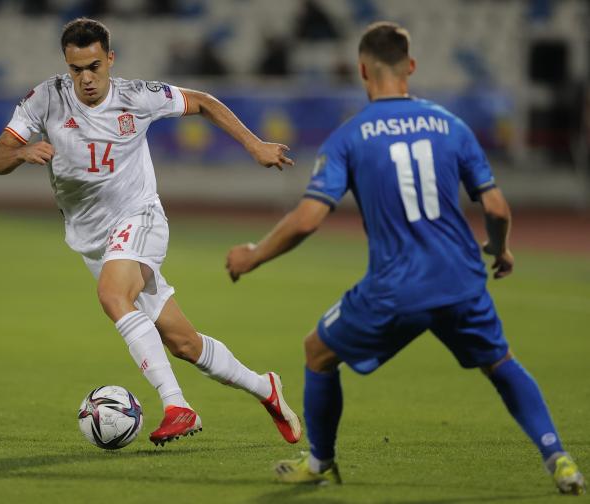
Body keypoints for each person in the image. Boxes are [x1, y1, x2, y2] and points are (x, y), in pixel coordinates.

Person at [226, 21, 585, 494]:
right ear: (410, 67)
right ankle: (559, 458)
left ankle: (320, 462)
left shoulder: (350, 137)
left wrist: (254, 254)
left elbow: (309, 219)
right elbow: (496, 207)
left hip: (396, 286)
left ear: (361, 71)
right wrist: (499, 248)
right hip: (461, 278)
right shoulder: (451, 125)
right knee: (501, 363)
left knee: (317, 351)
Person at [0, 17, 301, 447]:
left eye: (94, 66)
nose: (87, 78)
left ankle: (177, 406)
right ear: (65, 64)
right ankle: (266, 388)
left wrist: (255, 145)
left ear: (110, 59)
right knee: (183, 343)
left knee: (113, 296)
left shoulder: (138, 96)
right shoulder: (46, 99)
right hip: (92, 240)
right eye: (77, 69)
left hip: (139, 217)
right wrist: (22, 150)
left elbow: (204, 101)